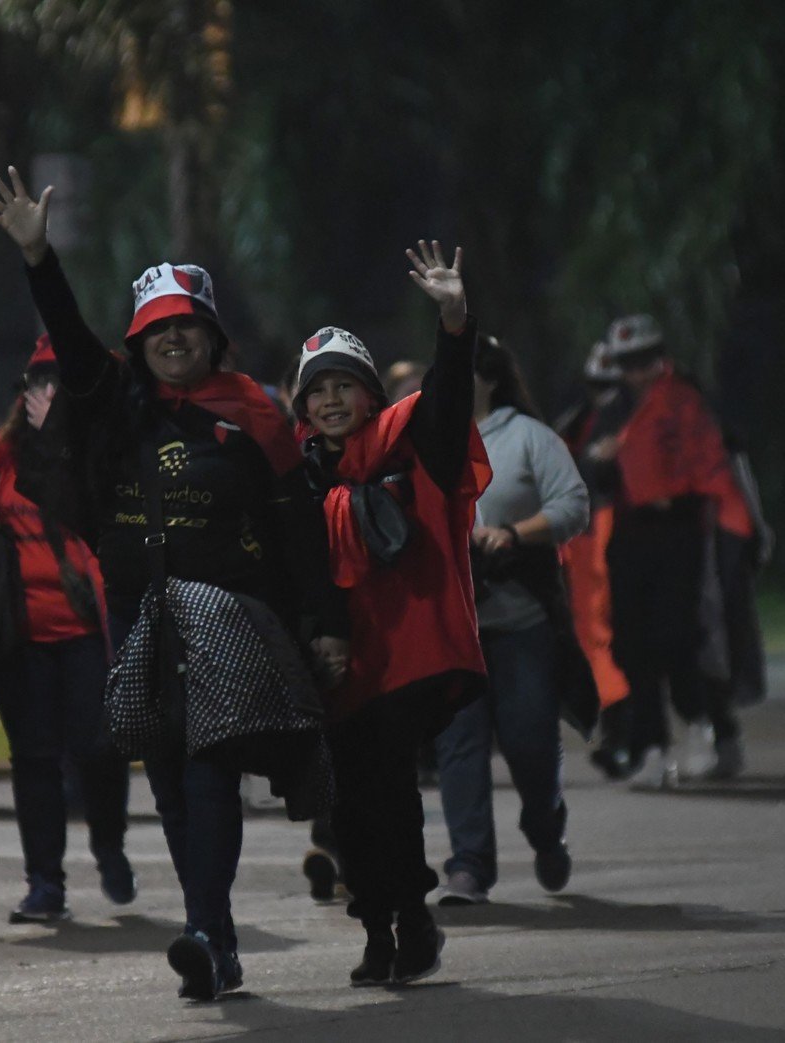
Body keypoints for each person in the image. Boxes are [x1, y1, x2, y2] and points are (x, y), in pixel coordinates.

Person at [0, 167, 347, 1000]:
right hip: (139, 613)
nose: (174, 338)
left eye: (188, 324)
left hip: (231, 611)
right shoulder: (114, 403)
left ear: (214, 335)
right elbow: (70, 342)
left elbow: (297, 530)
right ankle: (211, 932)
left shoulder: (255, 413)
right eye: (157, 327)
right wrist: (38, 256)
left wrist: (324, 621)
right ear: (137, 340)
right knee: (172, 773)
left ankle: (207, 933)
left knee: (210, 762)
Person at [293, 240, 489, 987]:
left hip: (401, 656)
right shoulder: (299, 476)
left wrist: (452, 321)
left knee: (387, 794)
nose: (331, 400)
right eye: (317, 391)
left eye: (344, 385)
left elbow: (445, 394)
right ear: (303, 406)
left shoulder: (411, 438)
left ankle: (405, 919)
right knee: (346, 808)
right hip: (334, 665)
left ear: (369, 394)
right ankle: (382, 923)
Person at [0, 334, 136, 923]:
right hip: (21, 635)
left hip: (86, 629)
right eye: (38, 383)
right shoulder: (3, 452)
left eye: (58, 384)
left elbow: (92, 502)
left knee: (98, 749)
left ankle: (108, 845)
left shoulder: (100, 449)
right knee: (33, 758)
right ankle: (44, 884)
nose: (46, 395)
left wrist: (61, 436)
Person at [434, 336, 590, 905]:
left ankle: (546, 827)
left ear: (490, 377)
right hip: (455, 625)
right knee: (459, 745)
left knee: (529, 740)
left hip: (520, 622)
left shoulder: (527, 438)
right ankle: (469, 865)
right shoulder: (430, 439)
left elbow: (574, 504)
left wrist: (513, 534)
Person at [583, 315, 753, 789]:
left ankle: (708, 727)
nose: (637, 371)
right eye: (627, 363)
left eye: (644, 360)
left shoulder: (684, 401)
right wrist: (602, 460)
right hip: (630, 535)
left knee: (680, 637)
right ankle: (652, 748)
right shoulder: (614, 408)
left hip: (679, 532)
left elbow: (711, 463)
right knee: (632, 643)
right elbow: (594, 475)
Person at [556, 343, 635, 777]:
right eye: (597, 385)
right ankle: (619, 736)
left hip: (631, 540)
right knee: (598, 643)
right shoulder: (576, 425)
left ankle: (637, 736)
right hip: (586, 546)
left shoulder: (638, 422)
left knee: (631, 640)